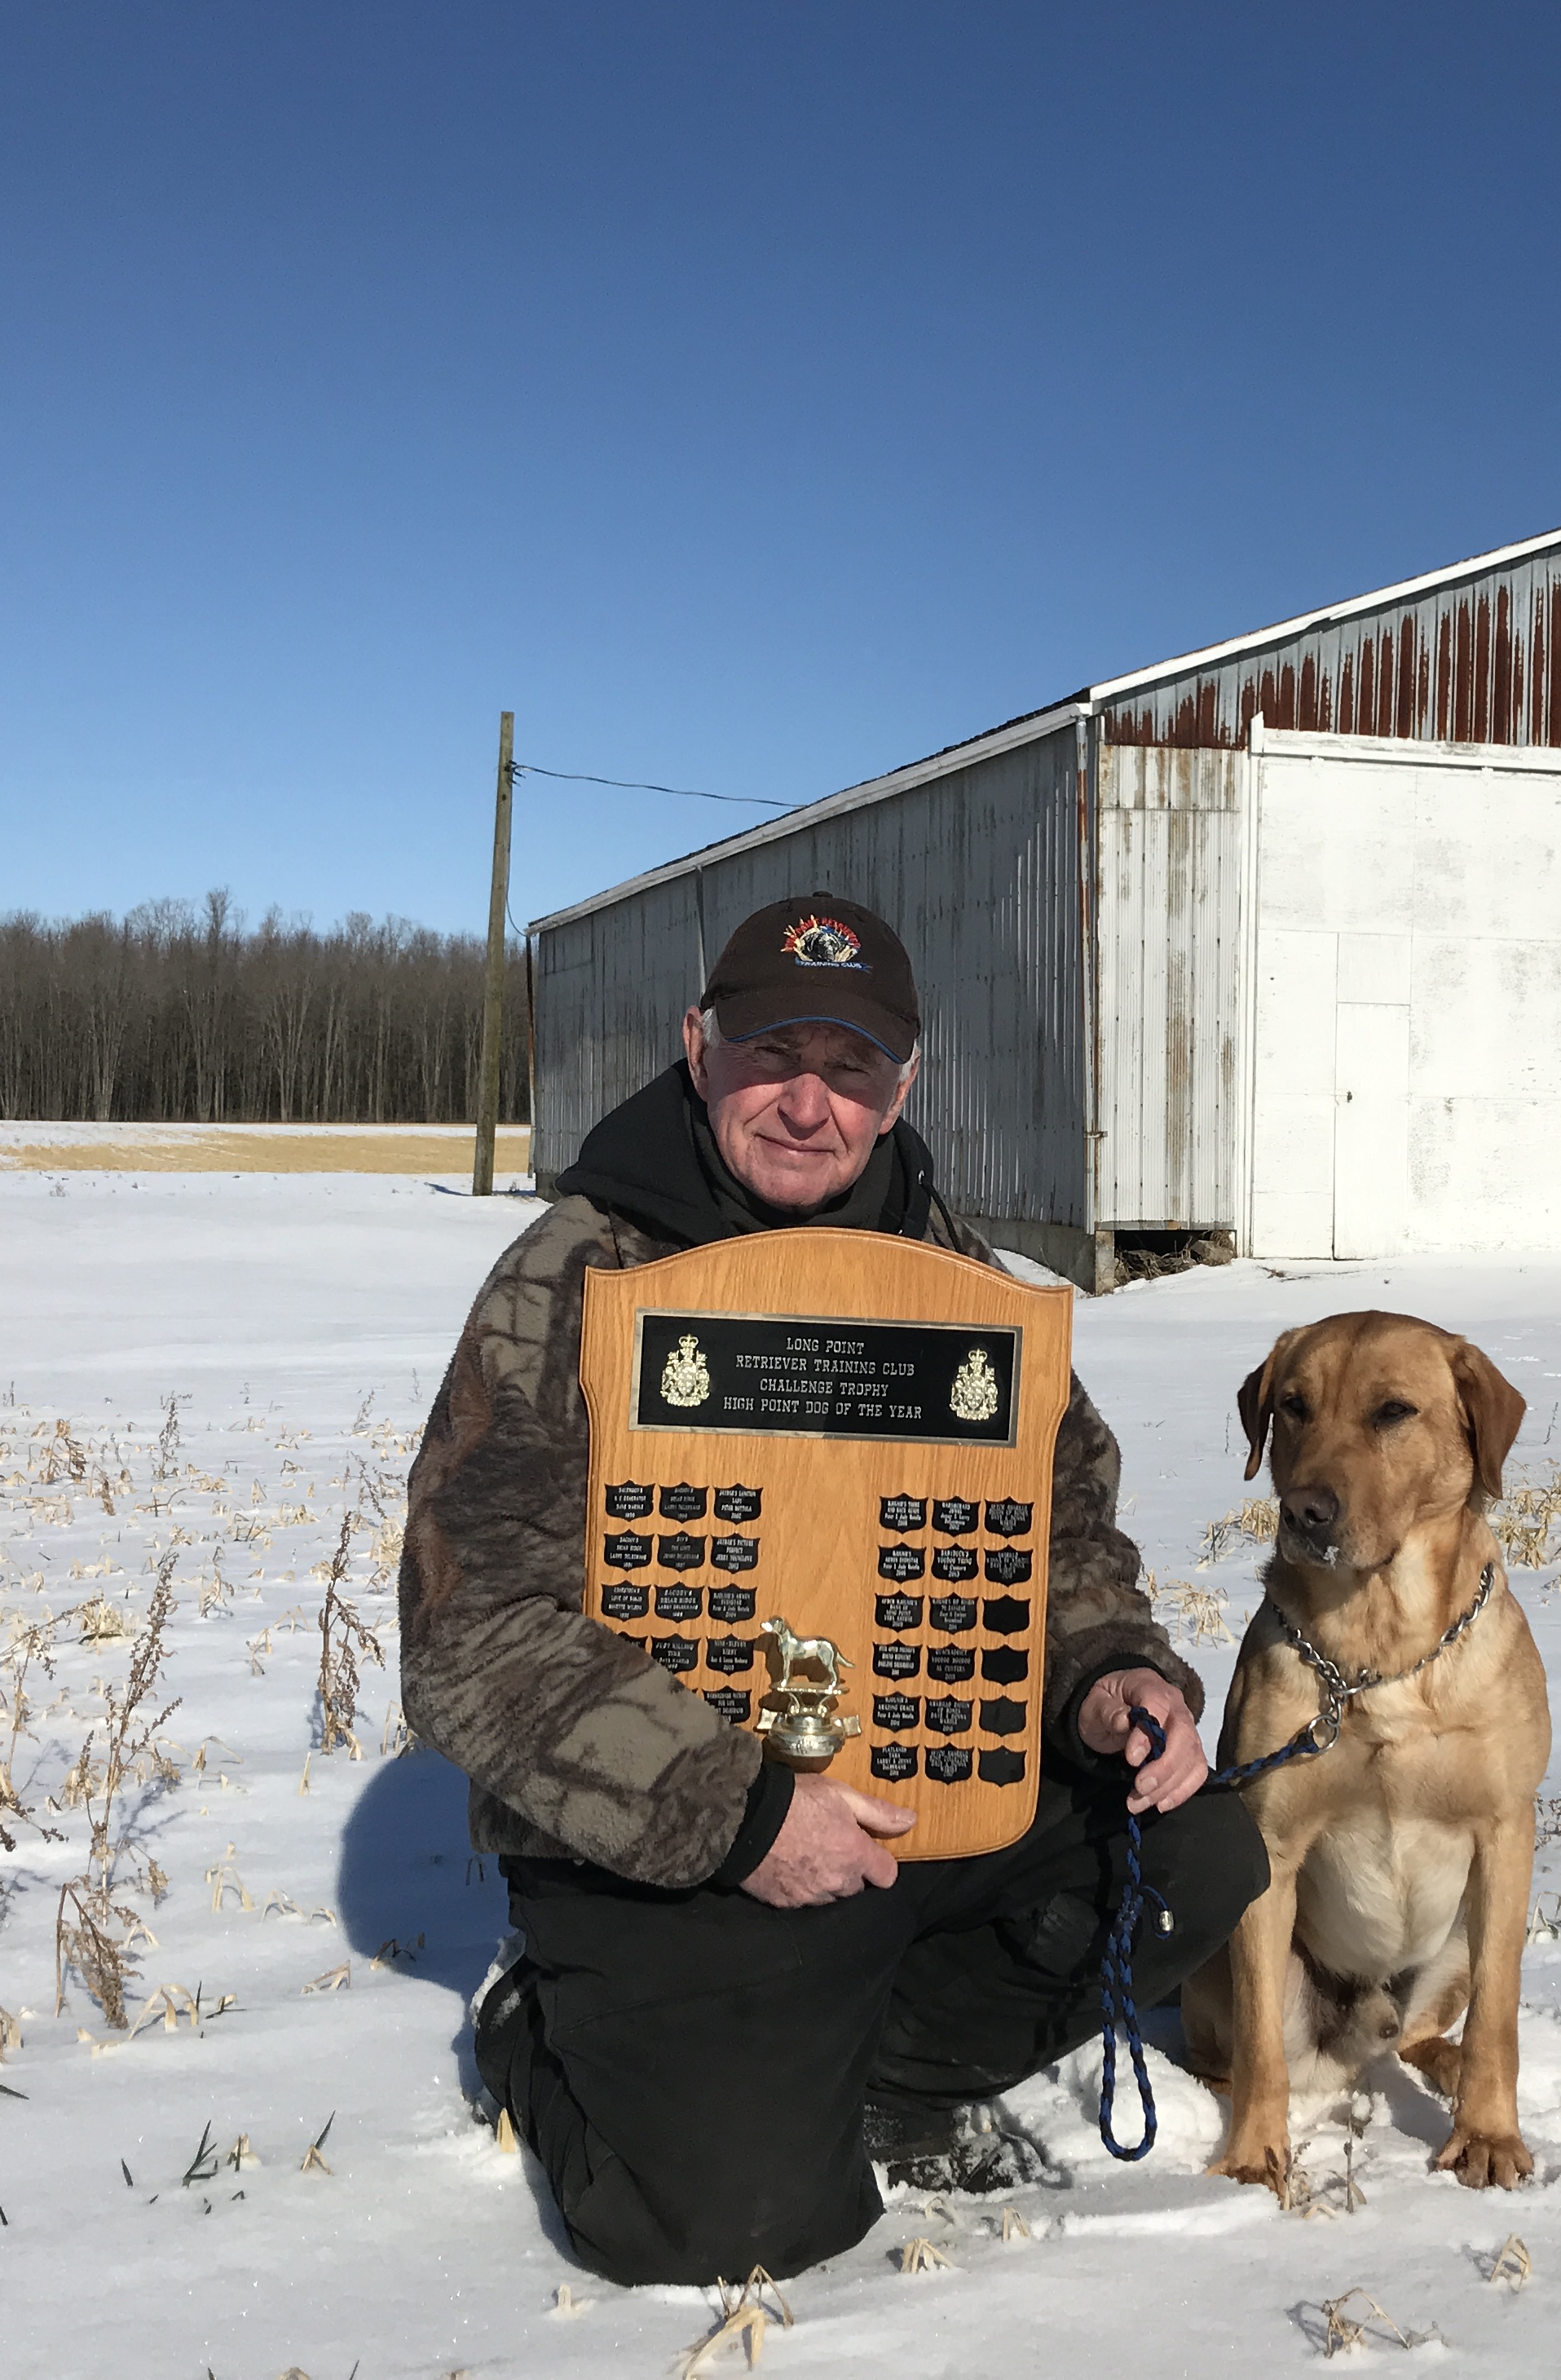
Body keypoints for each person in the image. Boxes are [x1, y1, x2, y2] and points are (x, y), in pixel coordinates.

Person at [400, 892, 1267, 2286]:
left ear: (901, 1084)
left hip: (921, 1782)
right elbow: (468, 1637)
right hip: (672, 1837)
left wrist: (1112, 1673)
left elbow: (1062, 1533)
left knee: (1196, 1852)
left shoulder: (956, 1282)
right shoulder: (575, 1275)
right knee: (729, 2228)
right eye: (771, 1056)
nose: (809, 1103)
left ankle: (896, 2076)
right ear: (698, 1048)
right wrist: (741, 1811)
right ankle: (537, 2033)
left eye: (851, 1066)